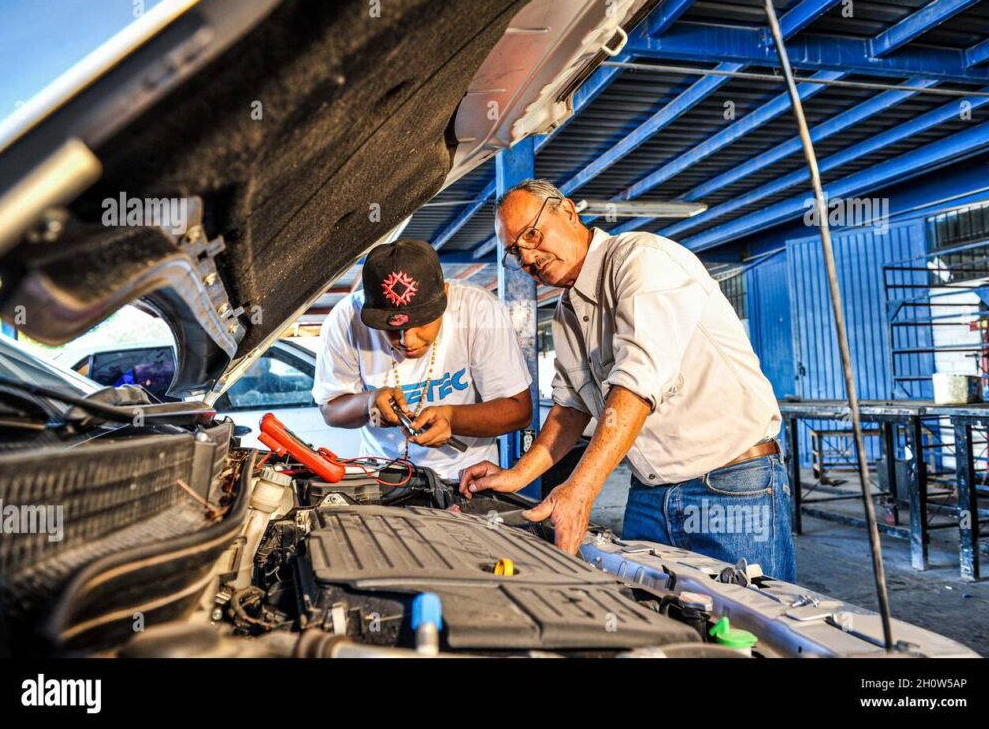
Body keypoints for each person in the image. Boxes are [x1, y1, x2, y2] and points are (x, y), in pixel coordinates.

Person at [458, 179, 795, 581]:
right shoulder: (567, 313)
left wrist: (580, 490)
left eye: (532, 234)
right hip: (650, 492)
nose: (528, 256)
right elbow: (571, 408)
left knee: (748, 628)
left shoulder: (641, 260)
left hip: (730, 483)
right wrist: (516, 474)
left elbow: (636, 382)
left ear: (567, 210)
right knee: (655, 623)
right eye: (515, 251)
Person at [313, 239, 533, 482]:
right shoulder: (345, 320)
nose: (407, 339)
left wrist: (452, 418)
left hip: (466, 478)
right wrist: (368, 402)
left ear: (445, 297)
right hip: (381, 477)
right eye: (392, 328)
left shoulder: (478, 310)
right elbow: (330, 410)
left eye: (421, 323)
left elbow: (519, 410)